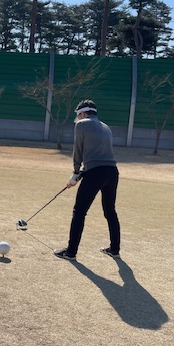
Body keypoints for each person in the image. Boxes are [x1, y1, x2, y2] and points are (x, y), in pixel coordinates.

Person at [53, 99, 121, 261]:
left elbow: (78, 151)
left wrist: (75, 173)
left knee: (79, 212)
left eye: (78, 115)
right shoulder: (106, 127)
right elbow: (99, 155)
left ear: (83, 113)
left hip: (95, 173)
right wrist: (81, 173)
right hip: (112, 172)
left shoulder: (82, 124)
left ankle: (71, 252)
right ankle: (114, 249)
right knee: (110, 211)